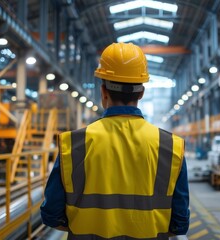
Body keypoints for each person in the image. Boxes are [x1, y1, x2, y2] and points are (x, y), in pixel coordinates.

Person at [40, 42, 190, 239]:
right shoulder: (171, 146)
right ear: (141, 93)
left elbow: (51, 215)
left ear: (103, 91)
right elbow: (180, 224)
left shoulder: (73, 144)